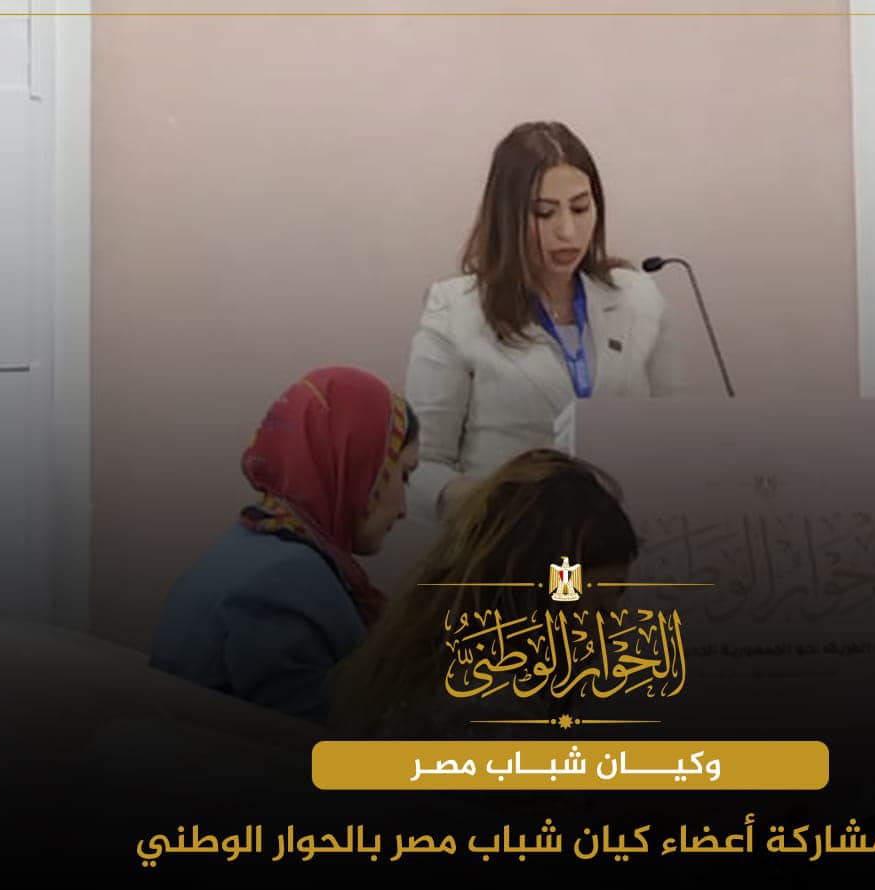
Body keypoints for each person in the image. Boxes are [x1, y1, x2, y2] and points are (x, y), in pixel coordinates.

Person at [405, 120, 683, 523]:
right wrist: (487, 504)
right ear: (506, 217)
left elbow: (679, 436)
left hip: (624, 541)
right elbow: (420, 466)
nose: (567, 231)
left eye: (581, 208)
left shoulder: (639, 299)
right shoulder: (455, 311)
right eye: (543, 213)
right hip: (513, 543)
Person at [151, 366, 420, 723]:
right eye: (404, 474)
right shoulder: (285, 584)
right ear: (359, 463)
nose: (403, 509)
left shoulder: (253, 544)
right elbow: (316, 741)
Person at [329, 448, 639, 739]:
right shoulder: (489, 710)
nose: (614, 630)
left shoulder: (450, 670)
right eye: (602, 609)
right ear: (547, 598)